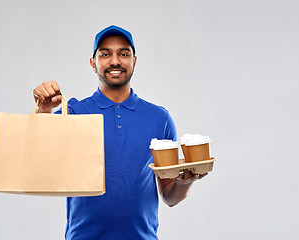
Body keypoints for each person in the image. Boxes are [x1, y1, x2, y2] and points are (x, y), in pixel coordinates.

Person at [33, 25, 207, 239]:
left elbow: (169, 196)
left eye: (124, 54)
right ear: (93, 63)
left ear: (134, 61)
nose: (115, 61)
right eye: (105, 54)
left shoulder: (159, 118)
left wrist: (184, 183)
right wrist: (43, 110)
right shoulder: (75, 112)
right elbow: (37, 154)